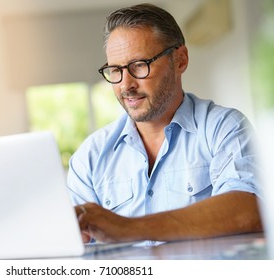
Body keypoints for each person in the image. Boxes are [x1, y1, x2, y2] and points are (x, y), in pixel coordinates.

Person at [67, 3, 263, 244]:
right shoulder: (90, 157)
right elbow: (75, 244)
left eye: (139, 65)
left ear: (180, 60)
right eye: (115, 70)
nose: (125, 84)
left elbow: (248, 208)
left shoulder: (224, 127)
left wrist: (129, 227)